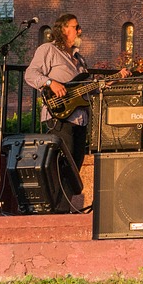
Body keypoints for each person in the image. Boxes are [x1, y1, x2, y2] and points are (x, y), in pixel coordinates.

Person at [23, 12, 92, 169]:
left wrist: (113, 80)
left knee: (75, 168)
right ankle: (57, 194)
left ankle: (68, 195)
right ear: (64, 29)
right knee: (62, 166)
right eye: (76, 27)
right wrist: (50, 82)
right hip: (60, 116)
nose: (79, 31)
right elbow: (30, 74)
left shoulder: (79, 59)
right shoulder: (48, 49)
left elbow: (86, 87)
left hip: (80, 119)